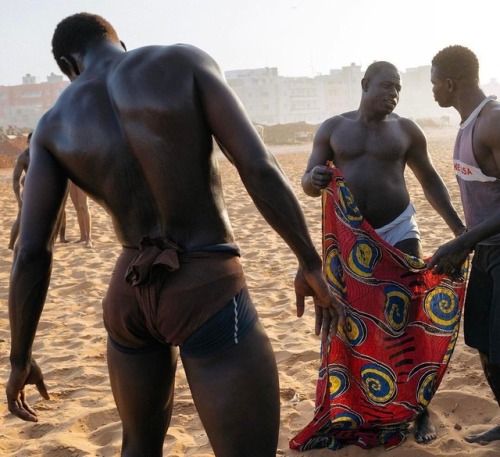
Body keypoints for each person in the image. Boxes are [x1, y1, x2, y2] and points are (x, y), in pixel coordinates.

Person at [5, 12, 344, 457]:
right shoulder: (182, 63)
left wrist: (19, 358)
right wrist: (309, 262)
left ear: (69, 64)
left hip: (128, 292)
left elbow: (31, 251)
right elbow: (257, 167)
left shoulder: (52, 125)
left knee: (139, 446)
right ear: (118, 43)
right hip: (204, 281)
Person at [301, 60, 466, 444]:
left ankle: (418, 410)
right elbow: (309, 182)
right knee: (354, 318)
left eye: (398, 89)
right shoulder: (334, 128)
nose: (392, 94)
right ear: (364, 84)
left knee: (408, 316)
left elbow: (429, 181)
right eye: (386, 86)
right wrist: (314, 178)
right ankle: (359, 405)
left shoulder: (406, 130)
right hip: (352, 237)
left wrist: (460, 231)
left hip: (399, 229)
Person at [429, 45, 500, 445]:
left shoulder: (492, 122)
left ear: (450, 83)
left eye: (435, 82)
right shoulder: (464, 125)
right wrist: (468, 245)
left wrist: (462, 243)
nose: (433, 90)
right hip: (486, 251)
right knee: (484, 345)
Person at [8, 132, 67, 249]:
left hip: (46, 190)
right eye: (31, 141)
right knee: (21, 216)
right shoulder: (24, 157)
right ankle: (10, 244)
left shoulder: (45, 154)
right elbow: (15, 180)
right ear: (28, 142)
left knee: (62, 213)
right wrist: (18, 200)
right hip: (30, 192)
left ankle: (62, 238)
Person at [69, 182, 92, 248]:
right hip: (71, 179)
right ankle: (83, 236)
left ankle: (89, 238)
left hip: (81, 177)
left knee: (84, 206)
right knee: (77, 208)